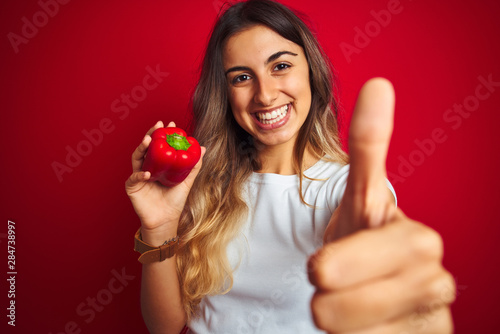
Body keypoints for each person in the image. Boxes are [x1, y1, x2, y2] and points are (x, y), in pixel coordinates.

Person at [125, 0, 455, 333]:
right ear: (225, 94)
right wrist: (159, 226)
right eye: (242, 77)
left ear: (311, 70)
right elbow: (164, 327)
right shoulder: (199, 182)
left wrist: (371, 237)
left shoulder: (345, 187)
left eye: (280, 66)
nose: (265, 95)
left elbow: (355, 228)